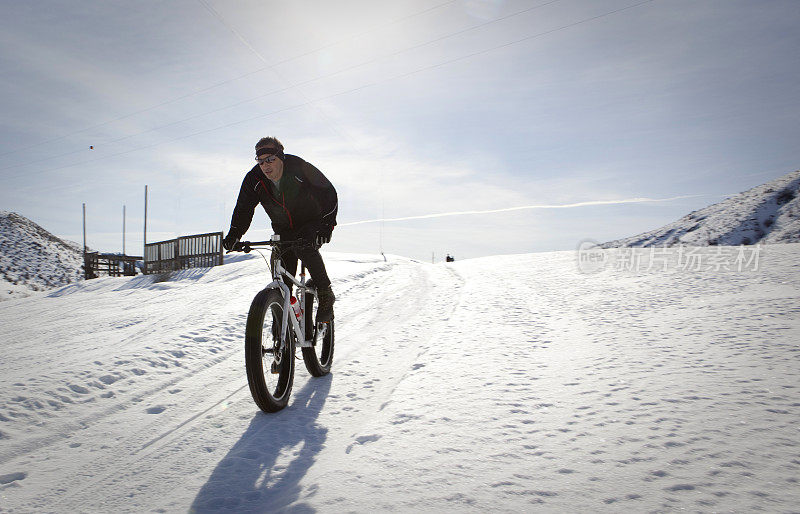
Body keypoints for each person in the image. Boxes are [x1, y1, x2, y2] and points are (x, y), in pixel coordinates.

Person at [222, 136, 338, 322]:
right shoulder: (254, 179)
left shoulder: (300, 168)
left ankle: (325, 293)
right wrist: (234, 234)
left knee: (303, 247)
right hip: (283, 229)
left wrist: (326, 226)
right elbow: (244, 208)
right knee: (282, 279)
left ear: (281, 157)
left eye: (270, 160)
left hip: (311, 222)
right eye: (260, 161)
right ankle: (283, 333)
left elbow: (328, 193)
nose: (265, 165)